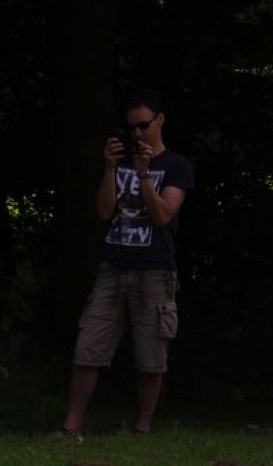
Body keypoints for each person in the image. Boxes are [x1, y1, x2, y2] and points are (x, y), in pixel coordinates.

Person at [58, 89, 194, 437]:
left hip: (154, 270)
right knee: (87, 346)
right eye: (131, 127)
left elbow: (163, 215)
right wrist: (109, 167)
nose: (137, 133)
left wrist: (145, 175)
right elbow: (104, 211)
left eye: (143, 125)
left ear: (160, 120)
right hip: (113, 266)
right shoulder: (120, 163)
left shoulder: (177, 166)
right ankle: (71, 425)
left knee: (150, 355)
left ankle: (142, 427)